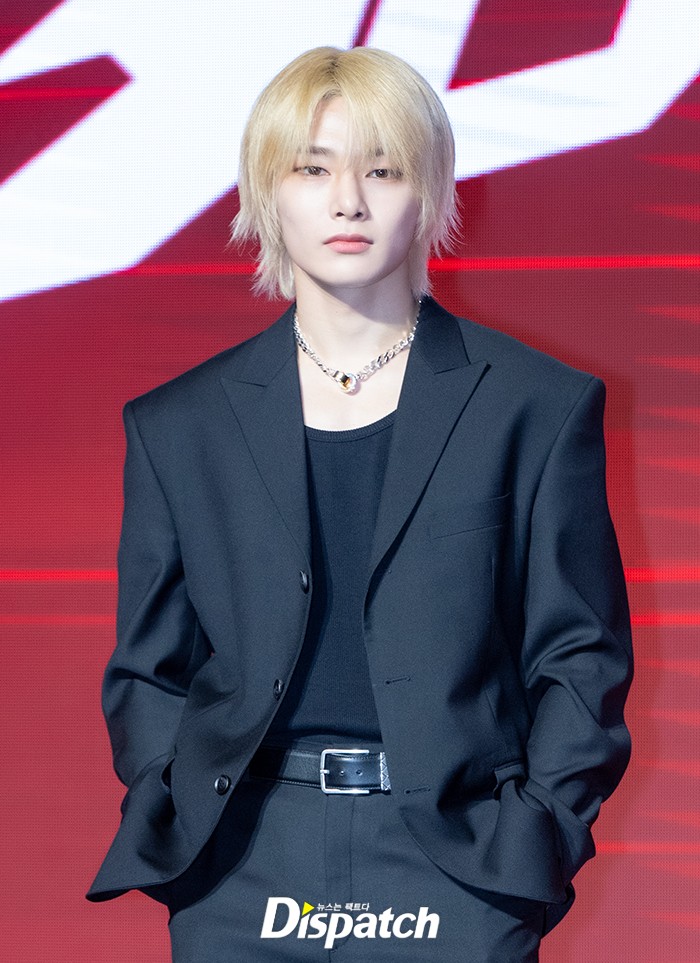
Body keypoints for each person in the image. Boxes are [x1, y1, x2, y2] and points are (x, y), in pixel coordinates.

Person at [88, 46, 633, 961]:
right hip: (243, 863)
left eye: (382, 170)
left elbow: (581, 655)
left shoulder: (535, 406)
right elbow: (149, 668)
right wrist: (170, 799)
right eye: (312, 169)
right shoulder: (180, 425)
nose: (348, 200)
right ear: (268, 195)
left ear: (430, 191)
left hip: (459, 861)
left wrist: (539, 829)